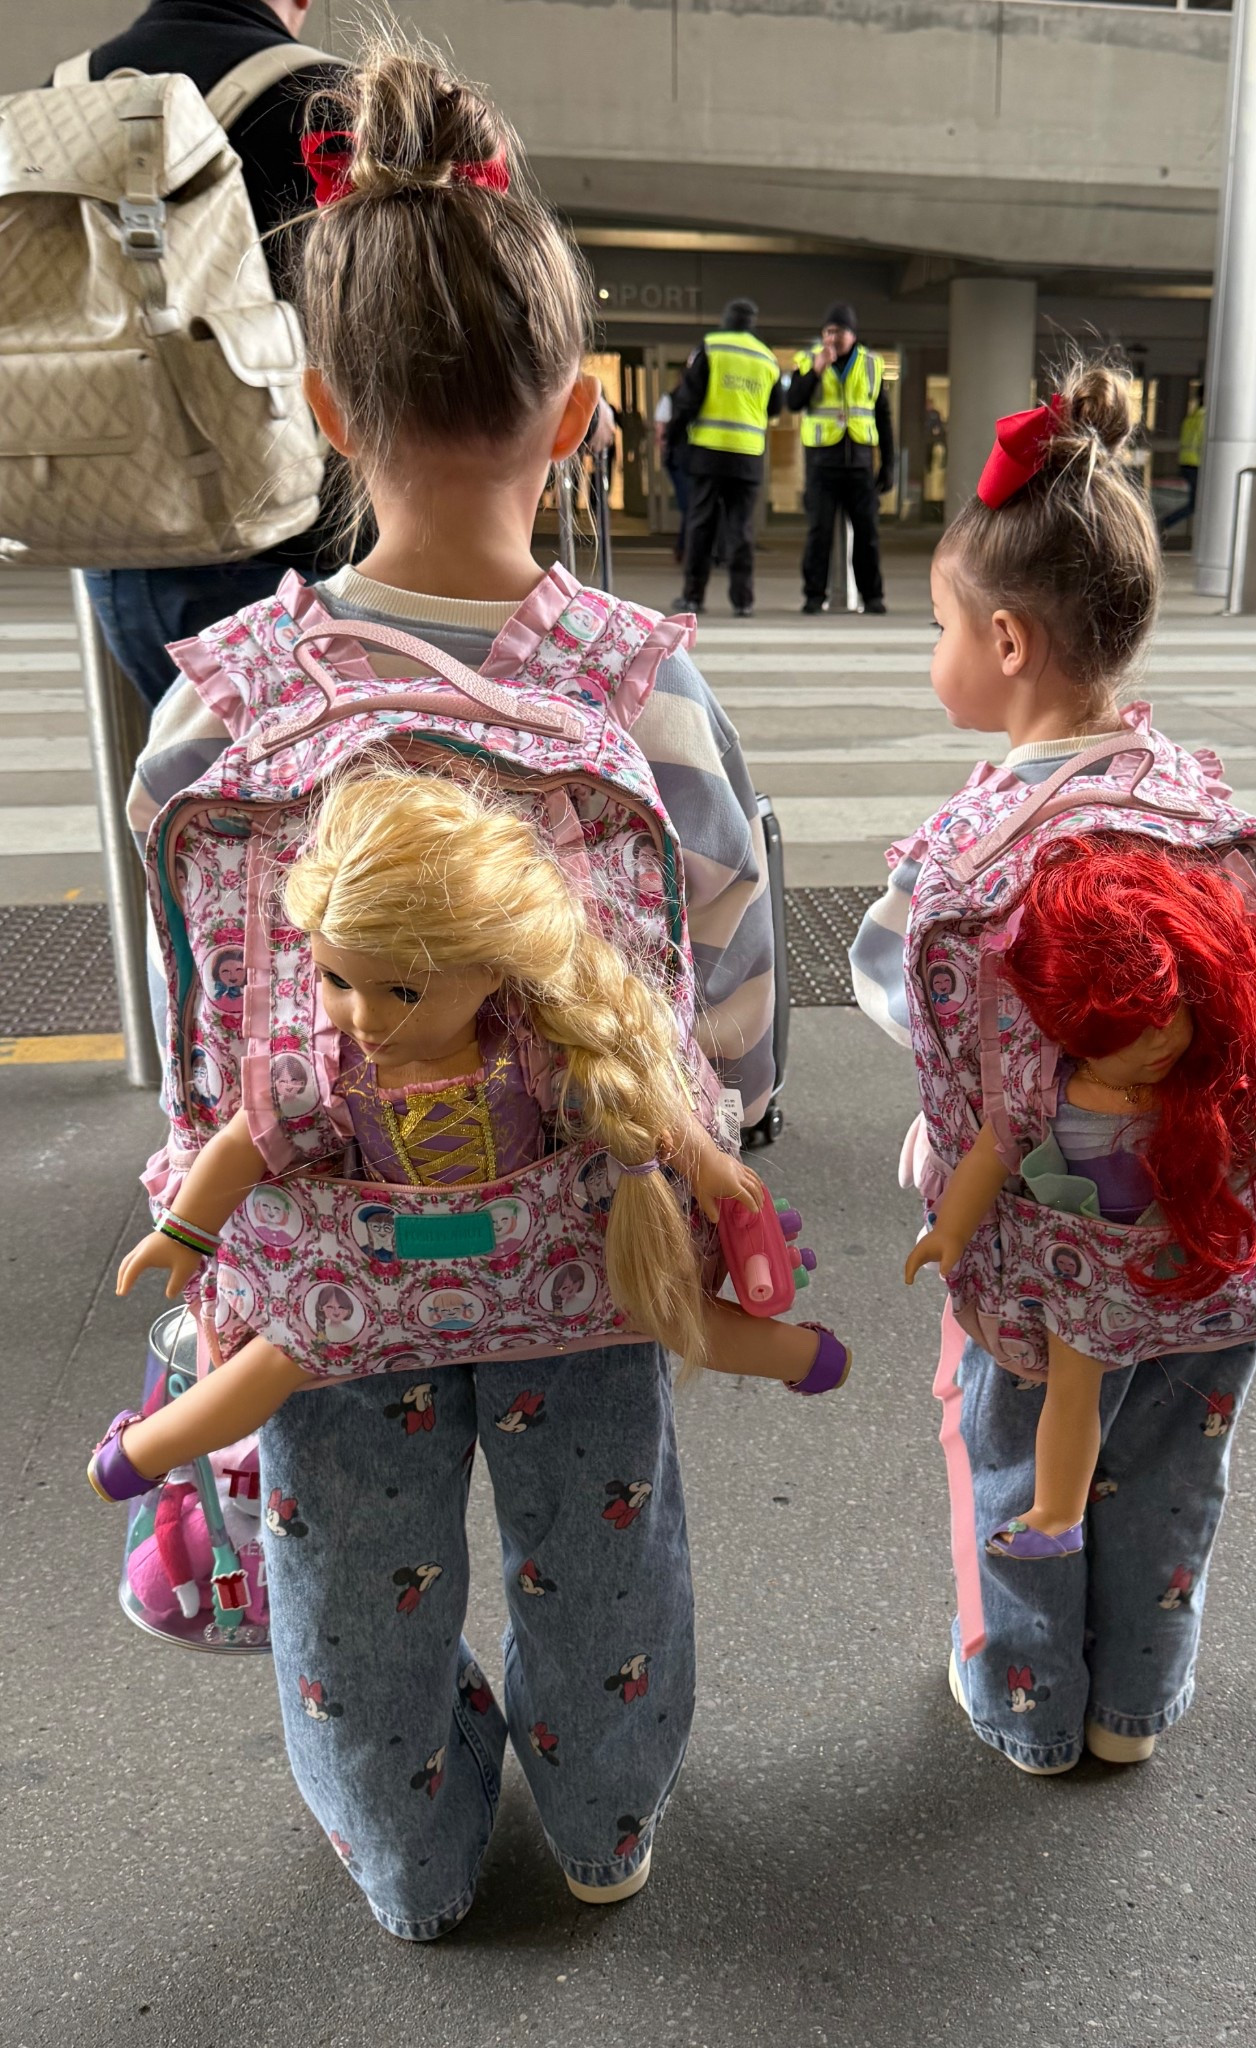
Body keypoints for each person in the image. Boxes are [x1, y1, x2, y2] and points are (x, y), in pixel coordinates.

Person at [123, 34, 780, 1935]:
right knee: (601, 1548)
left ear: (327, 407)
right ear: (575, 418)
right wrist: (714, 1144)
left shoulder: (218, 702)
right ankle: (600, 1825)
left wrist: (202, 1200)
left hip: (320, 1275)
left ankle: (410, 1854)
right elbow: (726, 980)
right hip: (590, 1245)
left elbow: (199, 1004)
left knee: (351, 1575)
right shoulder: (637, 686)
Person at [848, 355, 1256, 1775]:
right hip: (1210, 1247)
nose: (933, 653)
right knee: (1172, 1475)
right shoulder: (1217, 818)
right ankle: (1134, 1710)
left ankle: (1026, 1704)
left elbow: (911, 1007)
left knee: (1023, 1469)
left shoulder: (962, 855)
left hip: (1044, 1260)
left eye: (941, 626)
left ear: (1008, 642)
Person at [90, 770, 849, 1495]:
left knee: (671, 1313)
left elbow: (637, 1103)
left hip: (514, 1276)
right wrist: (183, 1233)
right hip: (448, 1282)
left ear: (493, 967)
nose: (362, 1016)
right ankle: (145, 1450)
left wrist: (709, 1165)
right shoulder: (322, 1073)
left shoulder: (536, 1050)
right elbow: (241, 1146)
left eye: (405, 990)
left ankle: (804, 1352)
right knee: (273, 1364)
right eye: (334, 979)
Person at [905, 833, 1256, 1564]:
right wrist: (950, 1230)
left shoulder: (1211, 1084)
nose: (1157, 1046)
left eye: (1171, 1016)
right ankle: (1057, 1514)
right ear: (1069, 1032)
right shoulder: (1047, 1095)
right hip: (1099, 1277)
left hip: (1206, 1257)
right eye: (1123, 1037)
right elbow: (992, 1153)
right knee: (1073, 1383)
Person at [68, 0, 348, 706]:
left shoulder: (60, 94)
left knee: (189, 787)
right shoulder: (325, 101)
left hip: (111, 524)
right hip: (288, 533)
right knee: (317, 798)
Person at [667, 299, 783, 618]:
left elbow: (688, 400)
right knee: (741, 529)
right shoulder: (767, 357)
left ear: (726, 320)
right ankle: (743, 601)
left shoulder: (711, 346)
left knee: (701, 525)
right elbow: (774, 408)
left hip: (709, 452)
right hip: (748, 456)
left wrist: (673, 440)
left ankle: (693, 597)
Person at [785, 303, 895, 615]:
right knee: (819, 533)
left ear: (853, 334)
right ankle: (813, 596)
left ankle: (872, 597)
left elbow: (883, 418)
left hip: (860, 464)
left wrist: (888, 465)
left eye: (841, 331)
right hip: (822, 464)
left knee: (867, 533)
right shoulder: (808, 360)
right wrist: (817, 370)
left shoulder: (871, 364)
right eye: (829, 331)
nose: (834, 337)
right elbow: (793, 402)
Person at [653, 379, 691, 563]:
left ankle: (686, 548)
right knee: (689, 505)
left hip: (693, 460)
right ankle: (684, 548)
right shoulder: (670, 399)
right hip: (679, 460)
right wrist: (667, 452)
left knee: (691, 506)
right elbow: (660, 431)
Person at [1159, 383, 1204, 535]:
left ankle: (1164, 524)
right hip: (1198, 465)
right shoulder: (1206, 419)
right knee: (1197, 504)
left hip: (1187, 463)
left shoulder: (1192, 417)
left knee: (1197, 503)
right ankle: (1163, 524)